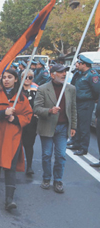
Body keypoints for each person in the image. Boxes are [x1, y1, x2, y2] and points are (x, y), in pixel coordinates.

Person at [0, 69, 32, 211]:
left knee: (10, 167)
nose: (6, 80)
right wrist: (3, 113)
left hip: (13, 138)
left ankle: (9, 199)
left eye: (10, 77)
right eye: (4, 77)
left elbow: (28, 115)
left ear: (16, 79)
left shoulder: (22, 99)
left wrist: (15, 119)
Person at [34, 64, 77, 193]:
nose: (64, 74)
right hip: (47, 126)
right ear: (53, 75)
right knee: (47, 155)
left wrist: (73, 126)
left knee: (61, 155)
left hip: (63, 128)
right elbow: (36, 108)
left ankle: (58, 180)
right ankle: (46, 178)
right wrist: (49, 110)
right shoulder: (42, 89)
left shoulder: (71, 89)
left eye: (65, 72)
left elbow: (73, 108)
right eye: (60, 72)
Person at [67, 55, 100, 156]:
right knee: (77, 124)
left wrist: (92, 99)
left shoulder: (92, 75)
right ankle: (76, 143)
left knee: (84, 126)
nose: (77, 64)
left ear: (84, 64)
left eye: (78, 63)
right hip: (78, 102)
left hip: (86, 103)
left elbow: (97, 90)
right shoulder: (80, 73)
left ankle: (83, 148)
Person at [21, 70, 38, 175]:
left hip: (32, 121)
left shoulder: (37, 89)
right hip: (18, 119)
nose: (27, 79)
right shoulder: (17, 89)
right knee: (16, 143)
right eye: (25, 77)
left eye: (30, 77)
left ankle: (29, 167)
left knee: (29, 144)